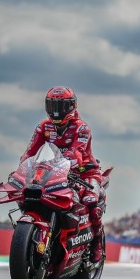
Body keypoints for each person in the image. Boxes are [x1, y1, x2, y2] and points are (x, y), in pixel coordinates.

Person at [22, 86, 105, 263]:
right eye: (52, 106)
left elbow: (76, 152)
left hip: (85, 173)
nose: (56, 111)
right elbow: (29, 153)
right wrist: (22, 170)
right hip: (56, 172)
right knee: (30, 192)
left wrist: (66, 165)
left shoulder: (82, 128)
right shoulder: (43, 127)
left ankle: (97, 241)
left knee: (91, 201)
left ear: (71, 106)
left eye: (60, 106)